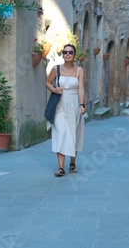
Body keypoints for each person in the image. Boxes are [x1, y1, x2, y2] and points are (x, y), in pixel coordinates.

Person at [45, 44, 86, 177]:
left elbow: (81, 88)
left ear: (74, 55)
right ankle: (61, 167)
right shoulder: (56, 69)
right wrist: (54, 89)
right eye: (65, 52)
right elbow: (48, 82)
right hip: (59, 104)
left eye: (70, 52)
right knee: (61, 132)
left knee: (74, 132)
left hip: (74, 103)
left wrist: (82, 104)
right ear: (63, 54)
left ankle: (72, 162)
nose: (67, 54)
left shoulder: (79, 70)